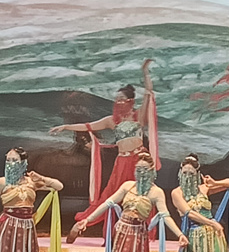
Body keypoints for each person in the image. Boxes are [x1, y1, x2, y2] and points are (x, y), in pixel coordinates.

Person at [50, 59, 159, 227]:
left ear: (131, 100)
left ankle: (142, 227)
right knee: (113, 195)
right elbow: (88, 126)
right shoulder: (111, 120)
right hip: (121, 161)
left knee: (141, 192)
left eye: (122, 99)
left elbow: (148, 93)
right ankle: (111, 228)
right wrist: (66, 127)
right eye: (117, 99)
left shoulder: (139, 116)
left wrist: (145, 72)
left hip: (139, 161)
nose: (119, 102)